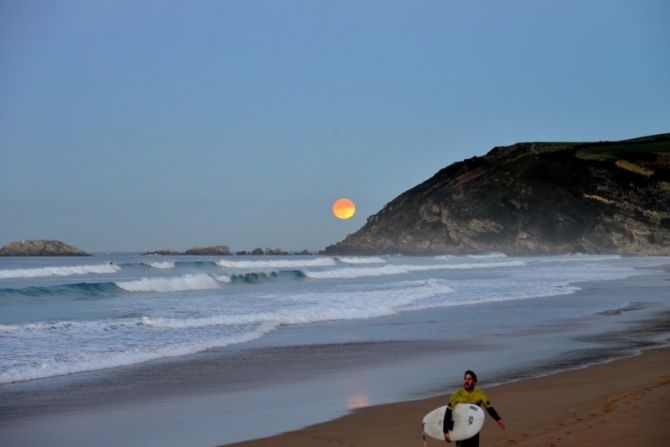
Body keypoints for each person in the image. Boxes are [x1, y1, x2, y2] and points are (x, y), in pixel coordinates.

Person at [443, 370, 505, 446]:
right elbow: (448, 412)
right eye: (465, 379)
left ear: (474, 382)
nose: (466, 381)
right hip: (460, 428)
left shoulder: (479, 394)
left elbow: (489, 408)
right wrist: (445, 431)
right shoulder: (457, 395)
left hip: (474, 427)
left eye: (469, 379)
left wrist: (498, 419)